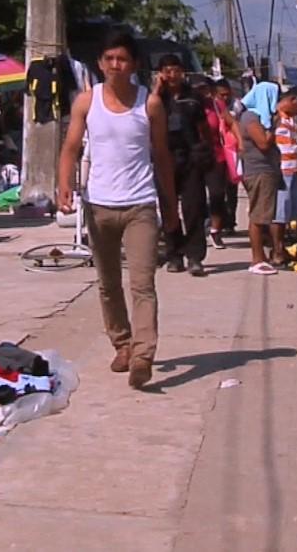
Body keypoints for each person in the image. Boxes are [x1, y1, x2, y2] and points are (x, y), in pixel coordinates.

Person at [57, 31, 178, 389]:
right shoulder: (86, 102)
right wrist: (65, 184)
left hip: (140, 204)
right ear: (99, 63)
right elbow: (70, 147)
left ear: (134, 64)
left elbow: (162, 158)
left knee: (142, 283)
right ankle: (122, 344)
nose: (115, 65)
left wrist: (171, 207)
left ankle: (143, 355)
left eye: (122, 59)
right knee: (108, 284)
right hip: (99, 205)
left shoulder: (149, 104)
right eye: (109, 58)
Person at [151, 55, 212, 276]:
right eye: (166, 71)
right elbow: (146, 118)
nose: (171, 75)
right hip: (164, 158)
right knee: (169, 209)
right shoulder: (156, 99)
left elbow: (204, 127)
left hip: (191, 158)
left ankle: (195, 257)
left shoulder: (193, 97)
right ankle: (174, 254)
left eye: (175, 70)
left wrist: (206, 151)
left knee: (193, 208)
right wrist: (157, 90)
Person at [239, 87, 297, 274]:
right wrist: (273, 125)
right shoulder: (252, 118)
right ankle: (260, 257)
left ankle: (269, 254)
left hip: (277, 170)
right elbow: (263, 142)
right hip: (262, 171)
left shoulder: (267, 118)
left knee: (269, 214)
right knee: (263, 216)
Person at [191, 76, 243, 249]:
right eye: (199, 89)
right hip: (192, 157)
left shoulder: (216, 105)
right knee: (194, 197)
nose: (202, 93)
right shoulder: (186, 105)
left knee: (217, 195)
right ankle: (195, 231)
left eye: (206, 89)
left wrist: (240, 142)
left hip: (216, 155)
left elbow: (231, 122)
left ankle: (215, 230)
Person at [272, 86, 297, 265]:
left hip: (293, 169)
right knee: (279, 212)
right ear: (293, 100)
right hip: (281, 171)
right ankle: (277, 250)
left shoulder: (291, 120)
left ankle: (284, 246)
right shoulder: (275, 117)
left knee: (290, 211)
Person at [214, 79, 241, 234]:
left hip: (232, 151)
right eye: (221, 95)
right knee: (217, 190)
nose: (225, 98)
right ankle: (216, 221)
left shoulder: (236, 107)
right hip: (217, 151)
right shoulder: (212, 106)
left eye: (227, 94)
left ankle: (230, 222)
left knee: (232, 188)